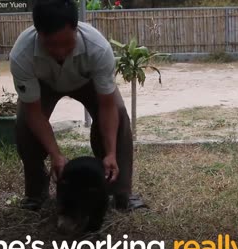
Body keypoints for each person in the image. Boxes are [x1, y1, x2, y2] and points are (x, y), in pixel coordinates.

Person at [9, 0, 144, 211]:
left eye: (66, 43)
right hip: (44, 84)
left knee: (119, 114)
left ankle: (121, 193)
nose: (60, 51)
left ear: (76, 28)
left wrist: (110, 152)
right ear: (38, 33)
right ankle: (36, 193)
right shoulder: (21, 54)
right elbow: (34, 113)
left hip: (87, 82)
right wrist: (55, 154)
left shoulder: (98, 48)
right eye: (51, 44)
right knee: (25, 125)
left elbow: (107, 106)